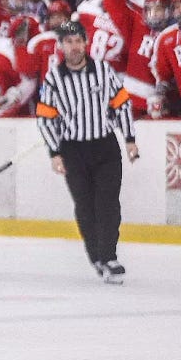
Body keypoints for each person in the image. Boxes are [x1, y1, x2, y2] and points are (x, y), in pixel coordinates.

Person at [35, 20, 139, 283]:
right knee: (85, 205)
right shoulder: (54, 78)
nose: (74, 46)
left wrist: (129, 138)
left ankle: (110, 256)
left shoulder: (103, 70)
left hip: (105, 146)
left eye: (78, 41)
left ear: (85, 43)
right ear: (61, 46)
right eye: (68, 42)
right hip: (73, 151)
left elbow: (122, 104)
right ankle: (96, 256)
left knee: (108, 204)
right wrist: (54, 152)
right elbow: (46, 118)